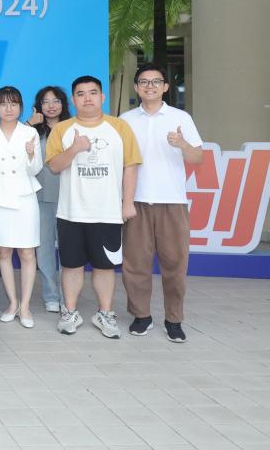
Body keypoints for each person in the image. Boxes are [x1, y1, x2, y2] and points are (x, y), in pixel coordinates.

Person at [46, 75, 141, 339]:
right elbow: (54, 166)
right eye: (81, 94)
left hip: (107, 212)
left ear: (102, 97)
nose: (87, 98)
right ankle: (70, 312)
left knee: (105, 266)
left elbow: (130, 166)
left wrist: (128, 203)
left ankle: (105, 313)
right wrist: (75, 149)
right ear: (73, 99)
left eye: (92, 93)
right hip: (71, 212)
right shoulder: (62, 129)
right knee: (71, 265)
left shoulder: (119, 127)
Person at [120, 63, 203, 343]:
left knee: (175, 265)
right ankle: (141, 316)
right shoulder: (125, 120)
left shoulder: (181, 118)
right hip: (136, 201)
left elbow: (198, 158)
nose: (150, 86)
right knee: (135, 265)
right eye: (144, 82)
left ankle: (173, 319)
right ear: (136, 87)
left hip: (172, 202)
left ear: (166, 87)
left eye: (156, 81)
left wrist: (182, 144)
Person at [0, 87, 43, 328]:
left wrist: (31, 155)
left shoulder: (30, 132)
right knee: (3, 253)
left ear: (20, 107)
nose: (9, 109)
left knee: (27, 253)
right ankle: (12, 303)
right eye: (3, 104)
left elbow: (36, 169)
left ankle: (25, 306)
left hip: (24, 197)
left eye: (14, 104)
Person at [29, 86, 71, 314]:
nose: (51, 106)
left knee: (69, 251)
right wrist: (29, 124)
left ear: (63, 104)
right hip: (42, 197)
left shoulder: (73, 128)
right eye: (46, 102)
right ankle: (51, 296)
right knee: (44, 251)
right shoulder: (33, 131)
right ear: (39, 106)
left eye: (56, 101)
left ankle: (68, 296)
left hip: (70, 199)